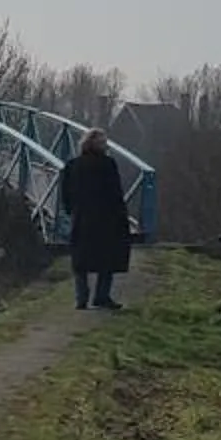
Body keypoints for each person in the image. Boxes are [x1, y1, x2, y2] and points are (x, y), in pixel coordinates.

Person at [60, 127, 134, 311]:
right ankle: (102, 296)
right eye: (103, 142)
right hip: (105, 218)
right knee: (107, 258)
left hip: (82, 217)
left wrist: (70, 210)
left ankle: (81, 298)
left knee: (80, 259)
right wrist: (122, 217)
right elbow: (115, 193)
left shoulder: (72, 165)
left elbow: (65, 193)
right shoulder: (108, 164)